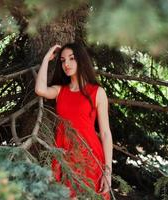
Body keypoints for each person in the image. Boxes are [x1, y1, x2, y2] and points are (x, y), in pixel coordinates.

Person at [35, 43, 113, 199]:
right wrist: (46, 59)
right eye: (63, 60)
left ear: (81, 60)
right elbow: (40, 90)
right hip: (64, 157)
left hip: (90, 156)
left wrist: (108, 172)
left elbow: (105, 133)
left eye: (71, 59)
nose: (66, 64)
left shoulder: (97, 92)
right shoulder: (60, 91)